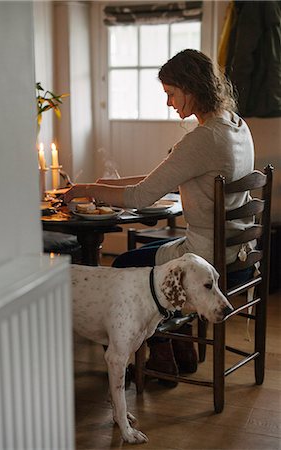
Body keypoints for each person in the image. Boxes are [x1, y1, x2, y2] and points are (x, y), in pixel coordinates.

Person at [64, 49, 255, 380]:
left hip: (206, 259)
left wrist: (90, 191)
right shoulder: (237, 126)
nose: (168, 103)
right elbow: (156, 179)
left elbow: (141, 196)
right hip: (239, 255)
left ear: (190, 88)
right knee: (146, 263)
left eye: (170, 93)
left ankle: (163, 352)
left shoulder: (202, 139)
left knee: (125, 266)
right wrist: (95, 185)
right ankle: (182, 348)